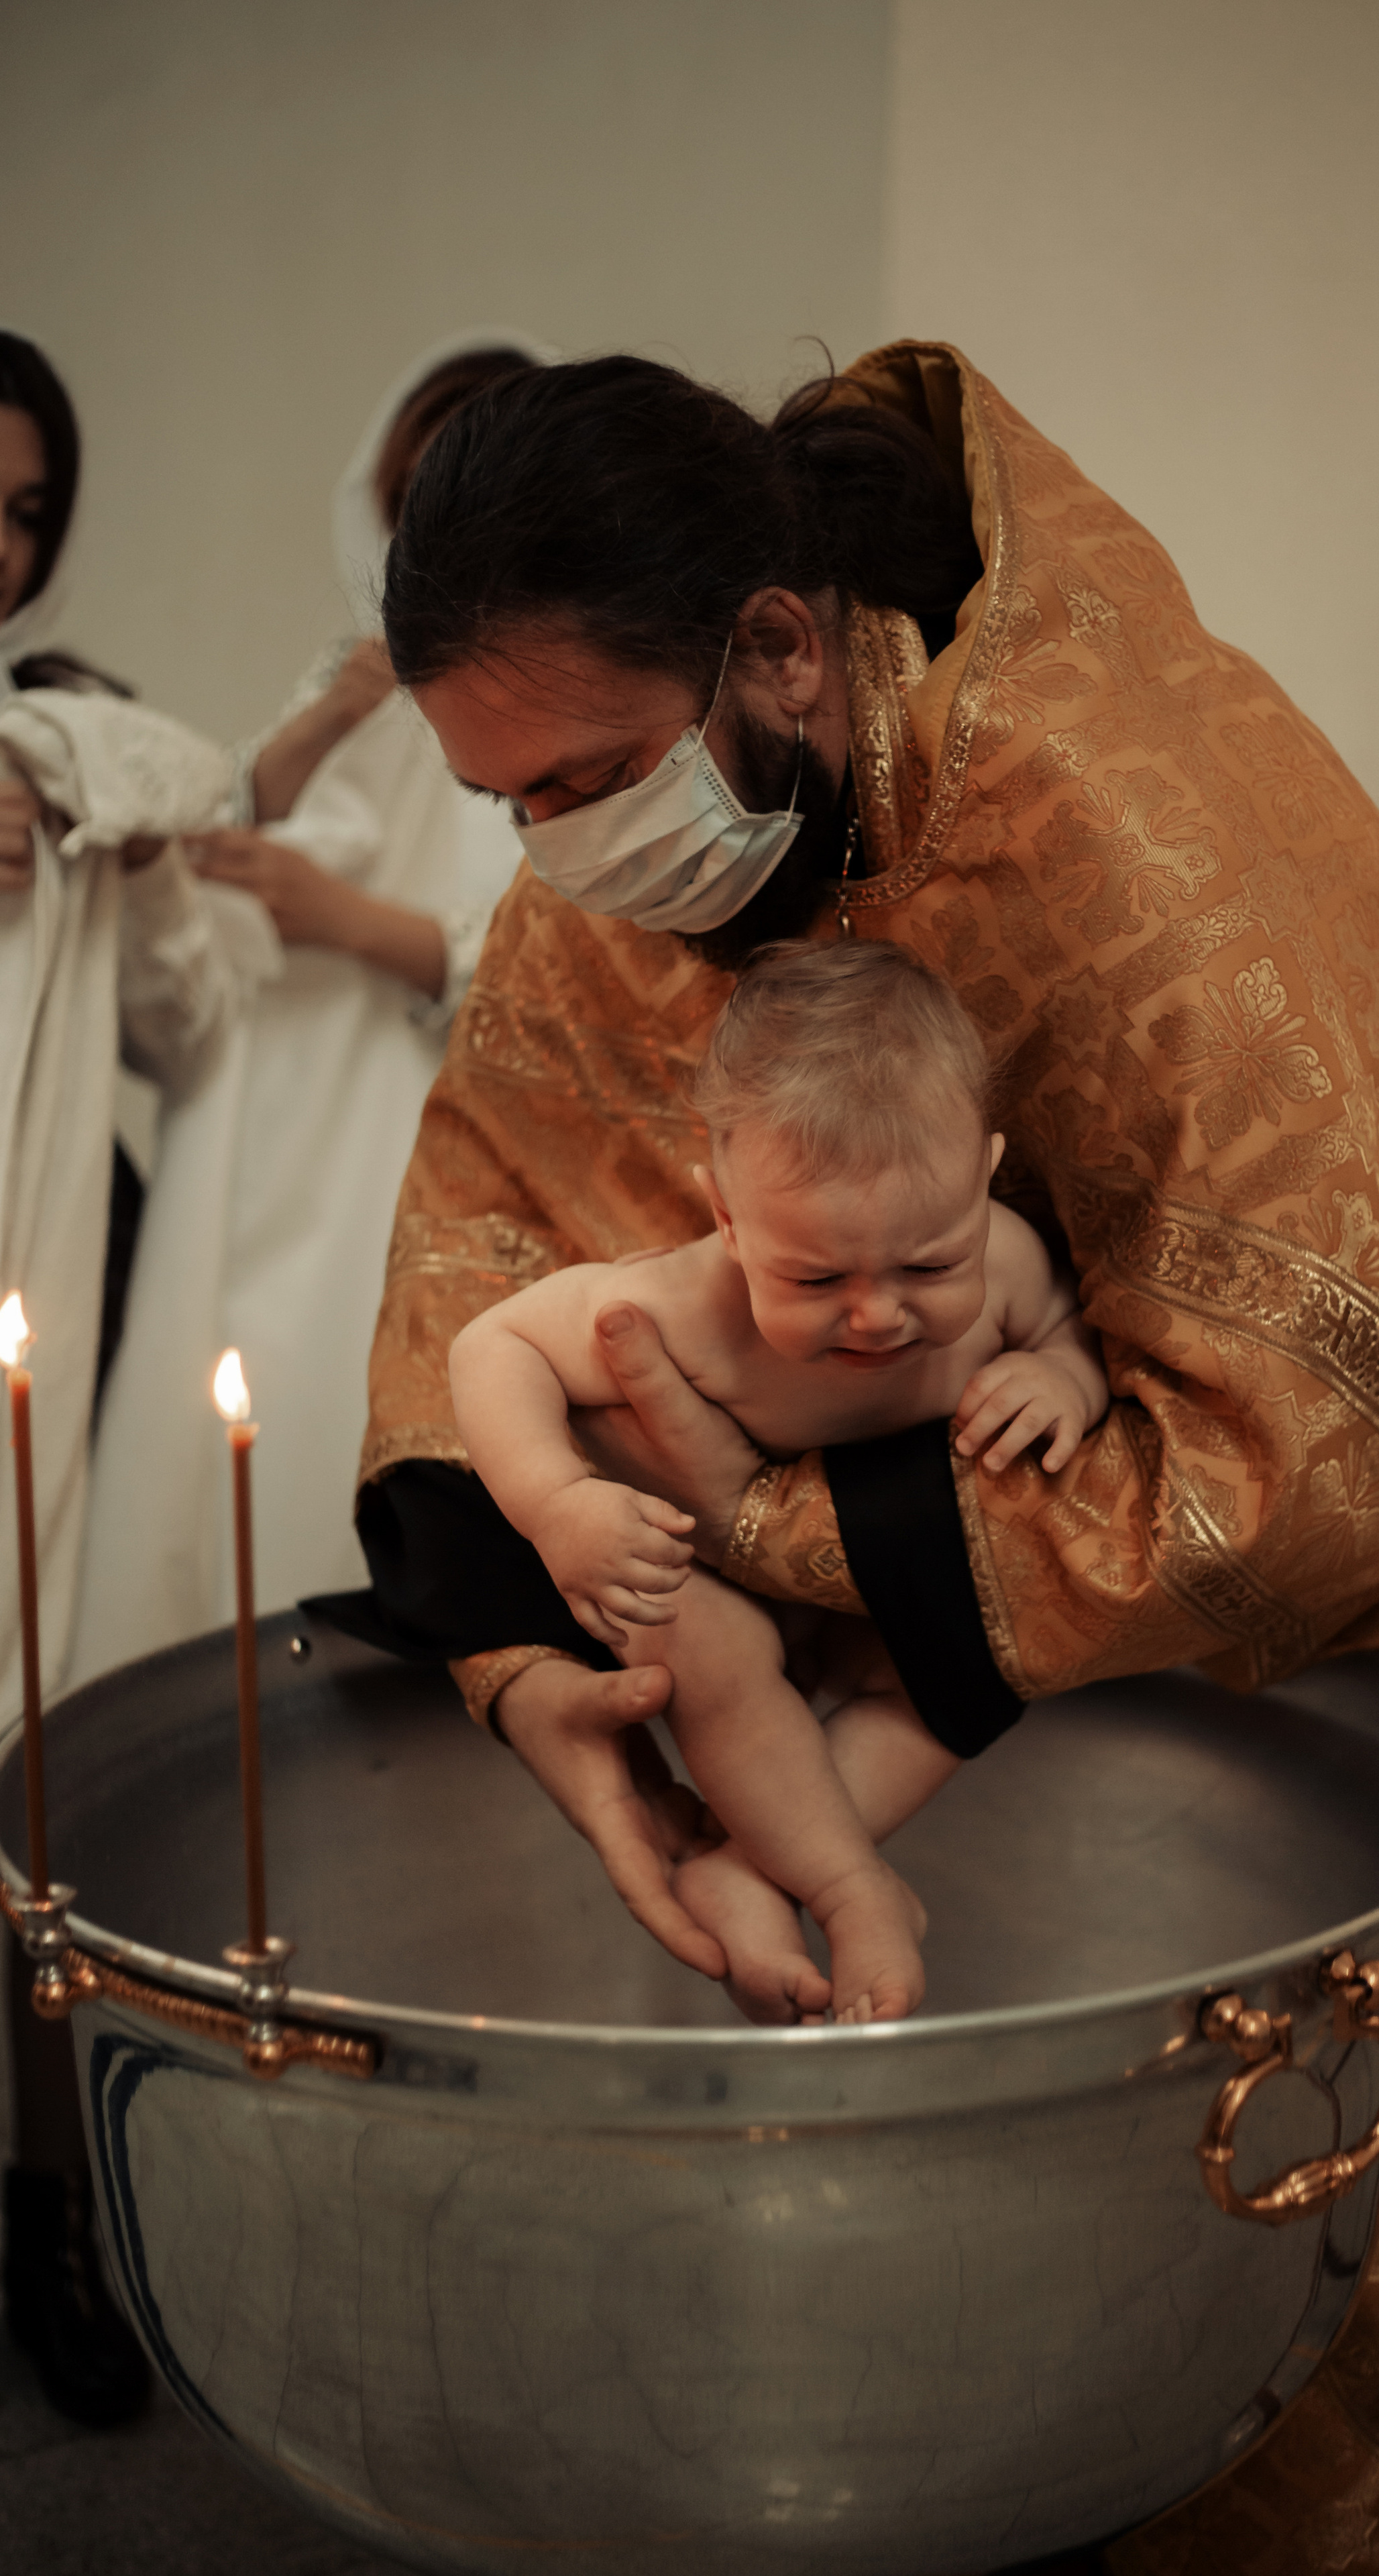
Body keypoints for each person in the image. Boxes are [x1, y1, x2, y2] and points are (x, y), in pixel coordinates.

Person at [355, 341, 1379, 2570]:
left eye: (587, 778)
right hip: (916, 1504)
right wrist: (546, 1667)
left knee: (1360, 2202)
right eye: (507, 804)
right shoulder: (623, 829)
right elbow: (484, 1243)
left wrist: (749, 1512)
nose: (559, 858)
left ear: (778, 644)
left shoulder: (1116, 819)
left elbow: (1336, 1387)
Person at [450, 938, 1107, 2023]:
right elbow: (491, 1348)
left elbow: (1072, 1328)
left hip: (884, 1573)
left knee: (971, 1674)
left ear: (985, 1177)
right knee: (713, 1648)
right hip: (709, 1572)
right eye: (815, 1277)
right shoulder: (683, 1306)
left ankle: (750, 1866)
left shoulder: (1008, 1268)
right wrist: (560, 1502)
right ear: (726, 1218)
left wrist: (1063, 1379)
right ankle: (853, 1895)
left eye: (929, 1265)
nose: (880, 1313)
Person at [68, 338, 545, 1678]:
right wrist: (330, 713)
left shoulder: (555, 707)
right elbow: (219, 828)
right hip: (273, 1116)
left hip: (424, 1127)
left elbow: (561, 960)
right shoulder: (361, 683)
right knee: (239, 1416)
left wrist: (355, 926)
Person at [0, 327, 257, 2427]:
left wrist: (66, 789)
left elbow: (194, 816)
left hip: (29, 1320)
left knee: (25, 1765)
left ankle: (45, 2212)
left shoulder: (69, 742)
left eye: (24, 518)